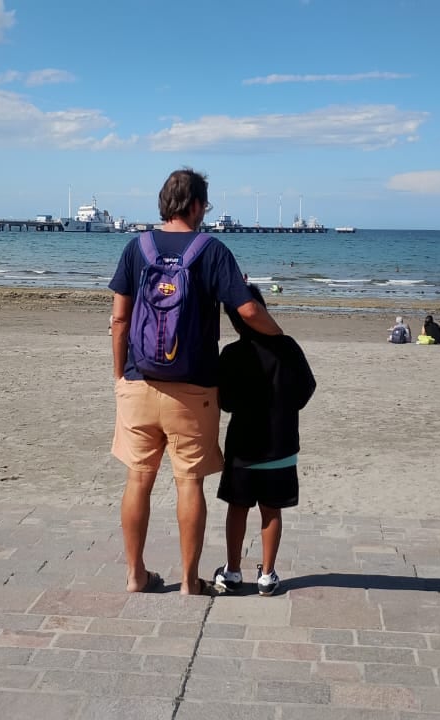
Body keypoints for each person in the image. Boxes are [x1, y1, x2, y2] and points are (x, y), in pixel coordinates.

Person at [108, 168, 282, 596]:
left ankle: (135, 575)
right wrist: (280, 338)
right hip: (194, 389)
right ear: (197, 205)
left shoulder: (137, 248)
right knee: (189, 483)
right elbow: (247, 310)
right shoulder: (212, 250)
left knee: (138, 479)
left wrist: (120, 375)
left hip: (139, 382)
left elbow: (119, 319)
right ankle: (189, 581)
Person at [213, 284, 315, 597]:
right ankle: (267, 575)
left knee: (238, 507)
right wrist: (286, 406)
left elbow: (225, 402)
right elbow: (306, 388)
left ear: (234, 322)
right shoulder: (287, 347)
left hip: (243, 446)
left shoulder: (231, 354)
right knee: (272, 510)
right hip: (281, 444)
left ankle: (232, 570)